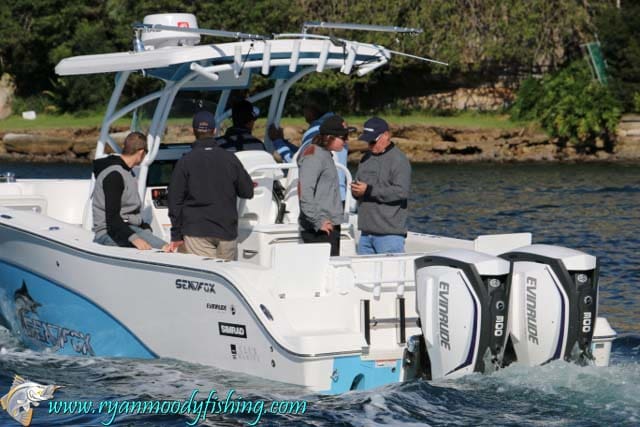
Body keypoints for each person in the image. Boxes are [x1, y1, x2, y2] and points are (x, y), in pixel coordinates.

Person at [166, 111, 254, 260]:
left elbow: (174, 200)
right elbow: (247, 192)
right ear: (214, 131)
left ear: (194, 131)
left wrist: (176, 235)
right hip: (226, 231)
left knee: (203, 277)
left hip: (196, 231)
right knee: (226, 276)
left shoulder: (185, 162)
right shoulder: (230, 159)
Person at [269, 90, 349, 202]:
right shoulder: (336, 124)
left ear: (311, 109)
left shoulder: (317, 129)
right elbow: (306, 153)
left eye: (304, 108)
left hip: (323, 198)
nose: (303, 112)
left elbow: (297, 162)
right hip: (340, 194)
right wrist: (284, 142)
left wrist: (277, 141)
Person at [92, 132, 167, 250]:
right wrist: (134, 239)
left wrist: (145, 228)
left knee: (165, 247)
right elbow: (112, 219)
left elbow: (129, 214)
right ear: (141, 152)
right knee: (163, 249)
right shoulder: (114, 175)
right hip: (108, 232)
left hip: (127, 228)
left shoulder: (127, 171)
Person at [350, 117, 411, 255]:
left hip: (389, 235)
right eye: (368, 142)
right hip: (366, 234)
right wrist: (356, 190)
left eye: (373, 141)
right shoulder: (366, 158)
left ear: (386, 135)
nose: (370, 146)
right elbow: (361, 185)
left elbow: (401, 192)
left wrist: (369, 190)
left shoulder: (399, 160)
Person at [298, 115, 353, 256]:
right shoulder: (314, 156)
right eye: (343, 137)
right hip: (320, 229)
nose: (346, 141)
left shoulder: (325, 154)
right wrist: (318, 221)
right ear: (329, 137)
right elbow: (304, 192)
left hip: (329, 225)